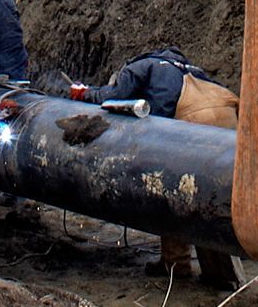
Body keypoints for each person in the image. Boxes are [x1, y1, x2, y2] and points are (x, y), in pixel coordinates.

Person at [71, 48, 240, 286]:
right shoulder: (186, 67)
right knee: (209, 198)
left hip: (194, 120)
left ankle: (176, 264)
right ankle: (218, 274)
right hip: (229, 113)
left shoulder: (141, 66)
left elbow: (115, 95)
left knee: (171, 190)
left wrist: (85, 93)